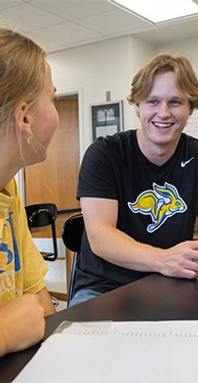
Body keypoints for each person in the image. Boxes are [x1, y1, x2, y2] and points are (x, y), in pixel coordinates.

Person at [70, 53, 198, 306]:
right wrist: (163, 259)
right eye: (153, 101)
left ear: (191, 107)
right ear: (137, 106)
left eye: (176, 102)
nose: (164, 113)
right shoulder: (104, 153)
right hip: (103, 289)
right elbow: (100, 237)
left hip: (174, 283)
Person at [0, 27, 59, 357]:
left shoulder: (7, 189)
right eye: (51, 98)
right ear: (25, 117)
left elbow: (37, 302)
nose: (55, 112)